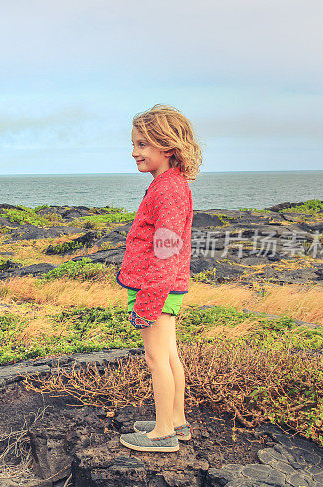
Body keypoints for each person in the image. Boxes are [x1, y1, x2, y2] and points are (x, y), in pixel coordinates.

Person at [115, 104, 203, 453]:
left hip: (157, 289)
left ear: (167, 147)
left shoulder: (168, 190)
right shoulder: (168, 184)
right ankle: (176, 421)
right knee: (169, 354)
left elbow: (166, 251)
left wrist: (147, 304)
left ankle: (162, 432)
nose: (134, 152)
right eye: (134, 144)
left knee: (156, 358)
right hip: (164, 286)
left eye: (142, 145)